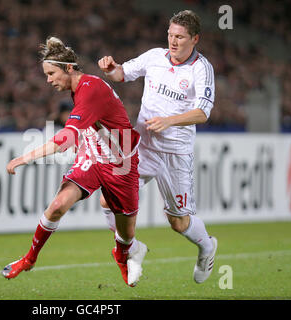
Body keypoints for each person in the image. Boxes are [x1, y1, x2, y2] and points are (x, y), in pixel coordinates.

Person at [2, 36, 148, 287]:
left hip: (121, 163)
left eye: (51, 73)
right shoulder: (78, 87)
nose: (48, 80)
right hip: (92, 156)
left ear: (69, 68)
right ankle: (29, 259)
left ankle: (122, 257)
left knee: (125, 236)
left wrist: (24, 158)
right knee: (57, 205)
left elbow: (64, 139)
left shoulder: (90, 89)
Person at [98, 10, 217, 284]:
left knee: (178, 223)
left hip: (176, 153)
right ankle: (133, 247)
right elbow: (121, 74)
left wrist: (170, 121)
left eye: (180, 37)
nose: (173, 42)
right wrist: (111, 68)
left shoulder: (201, 68)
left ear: (195, 39)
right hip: (144, 147)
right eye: (170, 35)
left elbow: (203, 112)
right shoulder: (154, 57)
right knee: (108, 199)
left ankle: (207, 247)